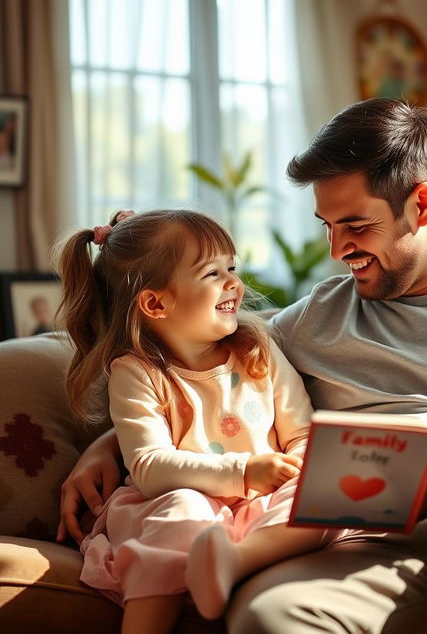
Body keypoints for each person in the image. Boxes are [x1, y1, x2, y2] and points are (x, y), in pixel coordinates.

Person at [58, 99, 427, 633]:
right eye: (327, 226)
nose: (338, 250)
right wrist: (105, 446)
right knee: (271, 615)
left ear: (423, 204)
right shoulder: (309, 318)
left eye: (356, 226)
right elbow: (203, 374)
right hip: (352, 543)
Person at [54, 209, 330, 634]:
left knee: (319, 492)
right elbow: (148, 466)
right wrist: (243, 471)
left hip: (262, 505)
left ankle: (237, 559)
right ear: (155, 302)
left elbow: (304, 433)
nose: (234, 282)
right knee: (182, 511)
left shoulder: (258, 349)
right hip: (179, 502)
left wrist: (293, 467)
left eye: (232, 267)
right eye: (212, 273)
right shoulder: (137, 372)